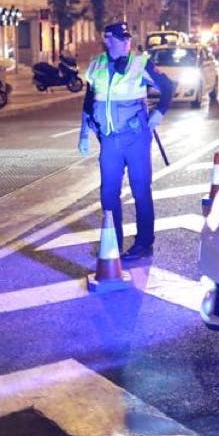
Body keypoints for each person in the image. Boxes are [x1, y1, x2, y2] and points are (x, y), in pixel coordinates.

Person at [78, 21, 174, 263]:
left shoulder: (140, 63)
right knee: (108, 193)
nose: (127, 42)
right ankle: (113, 242)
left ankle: (144, 243)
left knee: (140, 189)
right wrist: (83, 133)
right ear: (108, 39)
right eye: (122, 38)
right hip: (109, 139)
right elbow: (89, 100)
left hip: (135, 139)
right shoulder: (97, 64)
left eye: (128, 38)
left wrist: (158, 113)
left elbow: (168, 86)